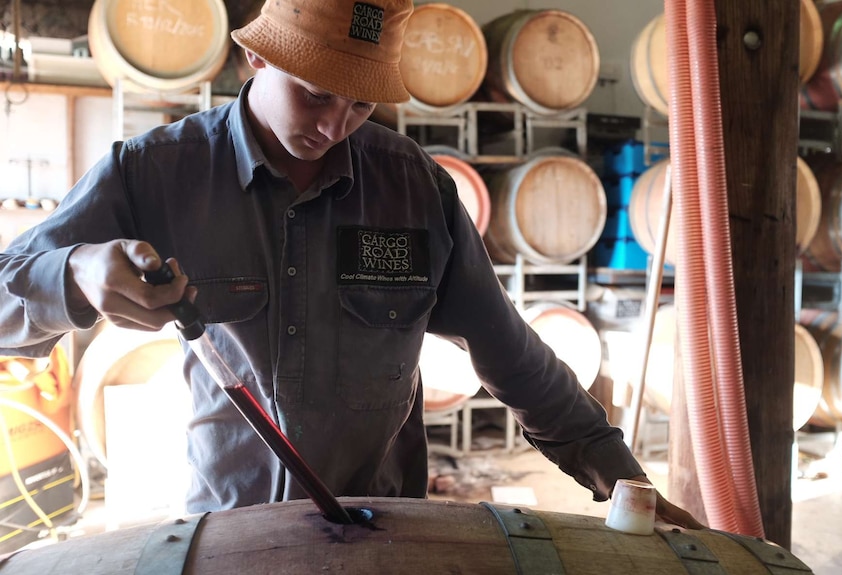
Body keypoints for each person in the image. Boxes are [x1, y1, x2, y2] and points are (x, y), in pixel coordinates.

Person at [0, 0, 703, 529]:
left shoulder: (416, 188)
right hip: (235, 535)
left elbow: (515, 358)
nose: (336, 124)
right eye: (316, 93)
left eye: (361, 102)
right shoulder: (157, 172)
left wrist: (623, 481)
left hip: (387, 537)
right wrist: (75, 272)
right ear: (259, 59)